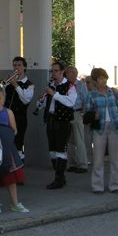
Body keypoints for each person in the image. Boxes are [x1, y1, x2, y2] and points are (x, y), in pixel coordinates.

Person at [84, 68, 118, 194]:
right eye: (100, 78)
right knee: (98, 159)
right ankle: (97, 186)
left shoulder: (114, 92)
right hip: (99, 127)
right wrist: (93, 116)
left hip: (115, 126)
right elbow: (88, 111)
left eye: (105, 77)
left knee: (115, 159)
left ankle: (115, 185)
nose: (103, 80)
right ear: (95, 80)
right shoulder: (91, 95)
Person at [42, 61, 77, 189]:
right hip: (51, 120)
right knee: (52, 151)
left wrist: (54, 94)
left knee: (60, 151)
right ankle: (60, 178)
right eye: (52, 71)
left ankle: (59, 178)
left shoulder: (70, 86)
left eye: (56, 71)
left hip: (63, 122)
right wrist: (42, 101)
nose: (53, 73)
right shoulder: (51, 85)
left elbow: (70, 102)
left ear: (62, 72)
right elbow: (48, 103)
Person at [4, 57, 35, 159]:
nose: (16, 67)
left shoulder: (29, 84)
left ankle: (19, 165)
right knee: (7, 142)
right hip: (6, 116)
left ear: (24, 67)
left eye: (19, 65)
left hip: (19, 118)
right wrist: (5, 84)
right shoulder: (9, 82)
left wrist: (16, 85)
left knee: (18, 143)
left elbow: (25, 100)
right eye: (14, 65)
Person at [64, 65, 88, 173]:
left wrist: (83, 112)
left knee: (79, 140)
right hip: (66, 114)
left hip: (77, 113)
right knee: (69, 141)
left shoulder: (81, 85)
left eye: (70, 72)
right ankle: (72, 163)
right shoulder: (65, 85)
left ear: (75, 74)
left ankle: (82, 164)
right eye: (67, 72)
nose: (68, 74)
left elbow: (85, 99)